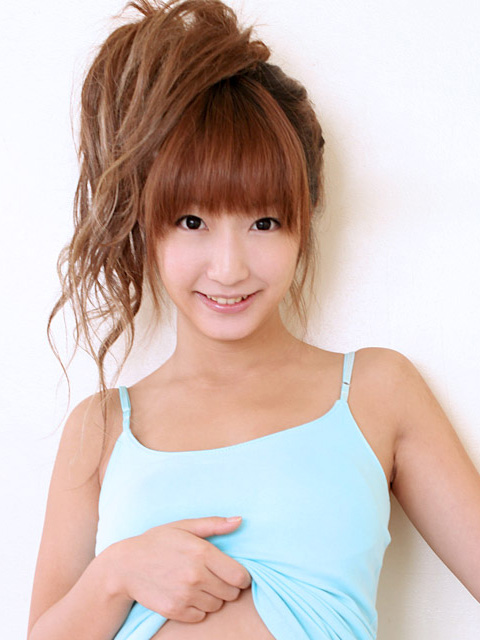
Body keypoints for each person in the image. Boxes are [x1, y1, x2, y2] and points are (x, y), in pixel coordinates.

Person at [27, 0, 480, 639]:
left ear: (304, 221)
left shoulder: (378, 391)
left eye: (263, 222)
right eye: (192, 221)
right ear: (147, 226)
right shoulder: (100, 428)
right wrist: (116, 575)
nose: (229, 267)